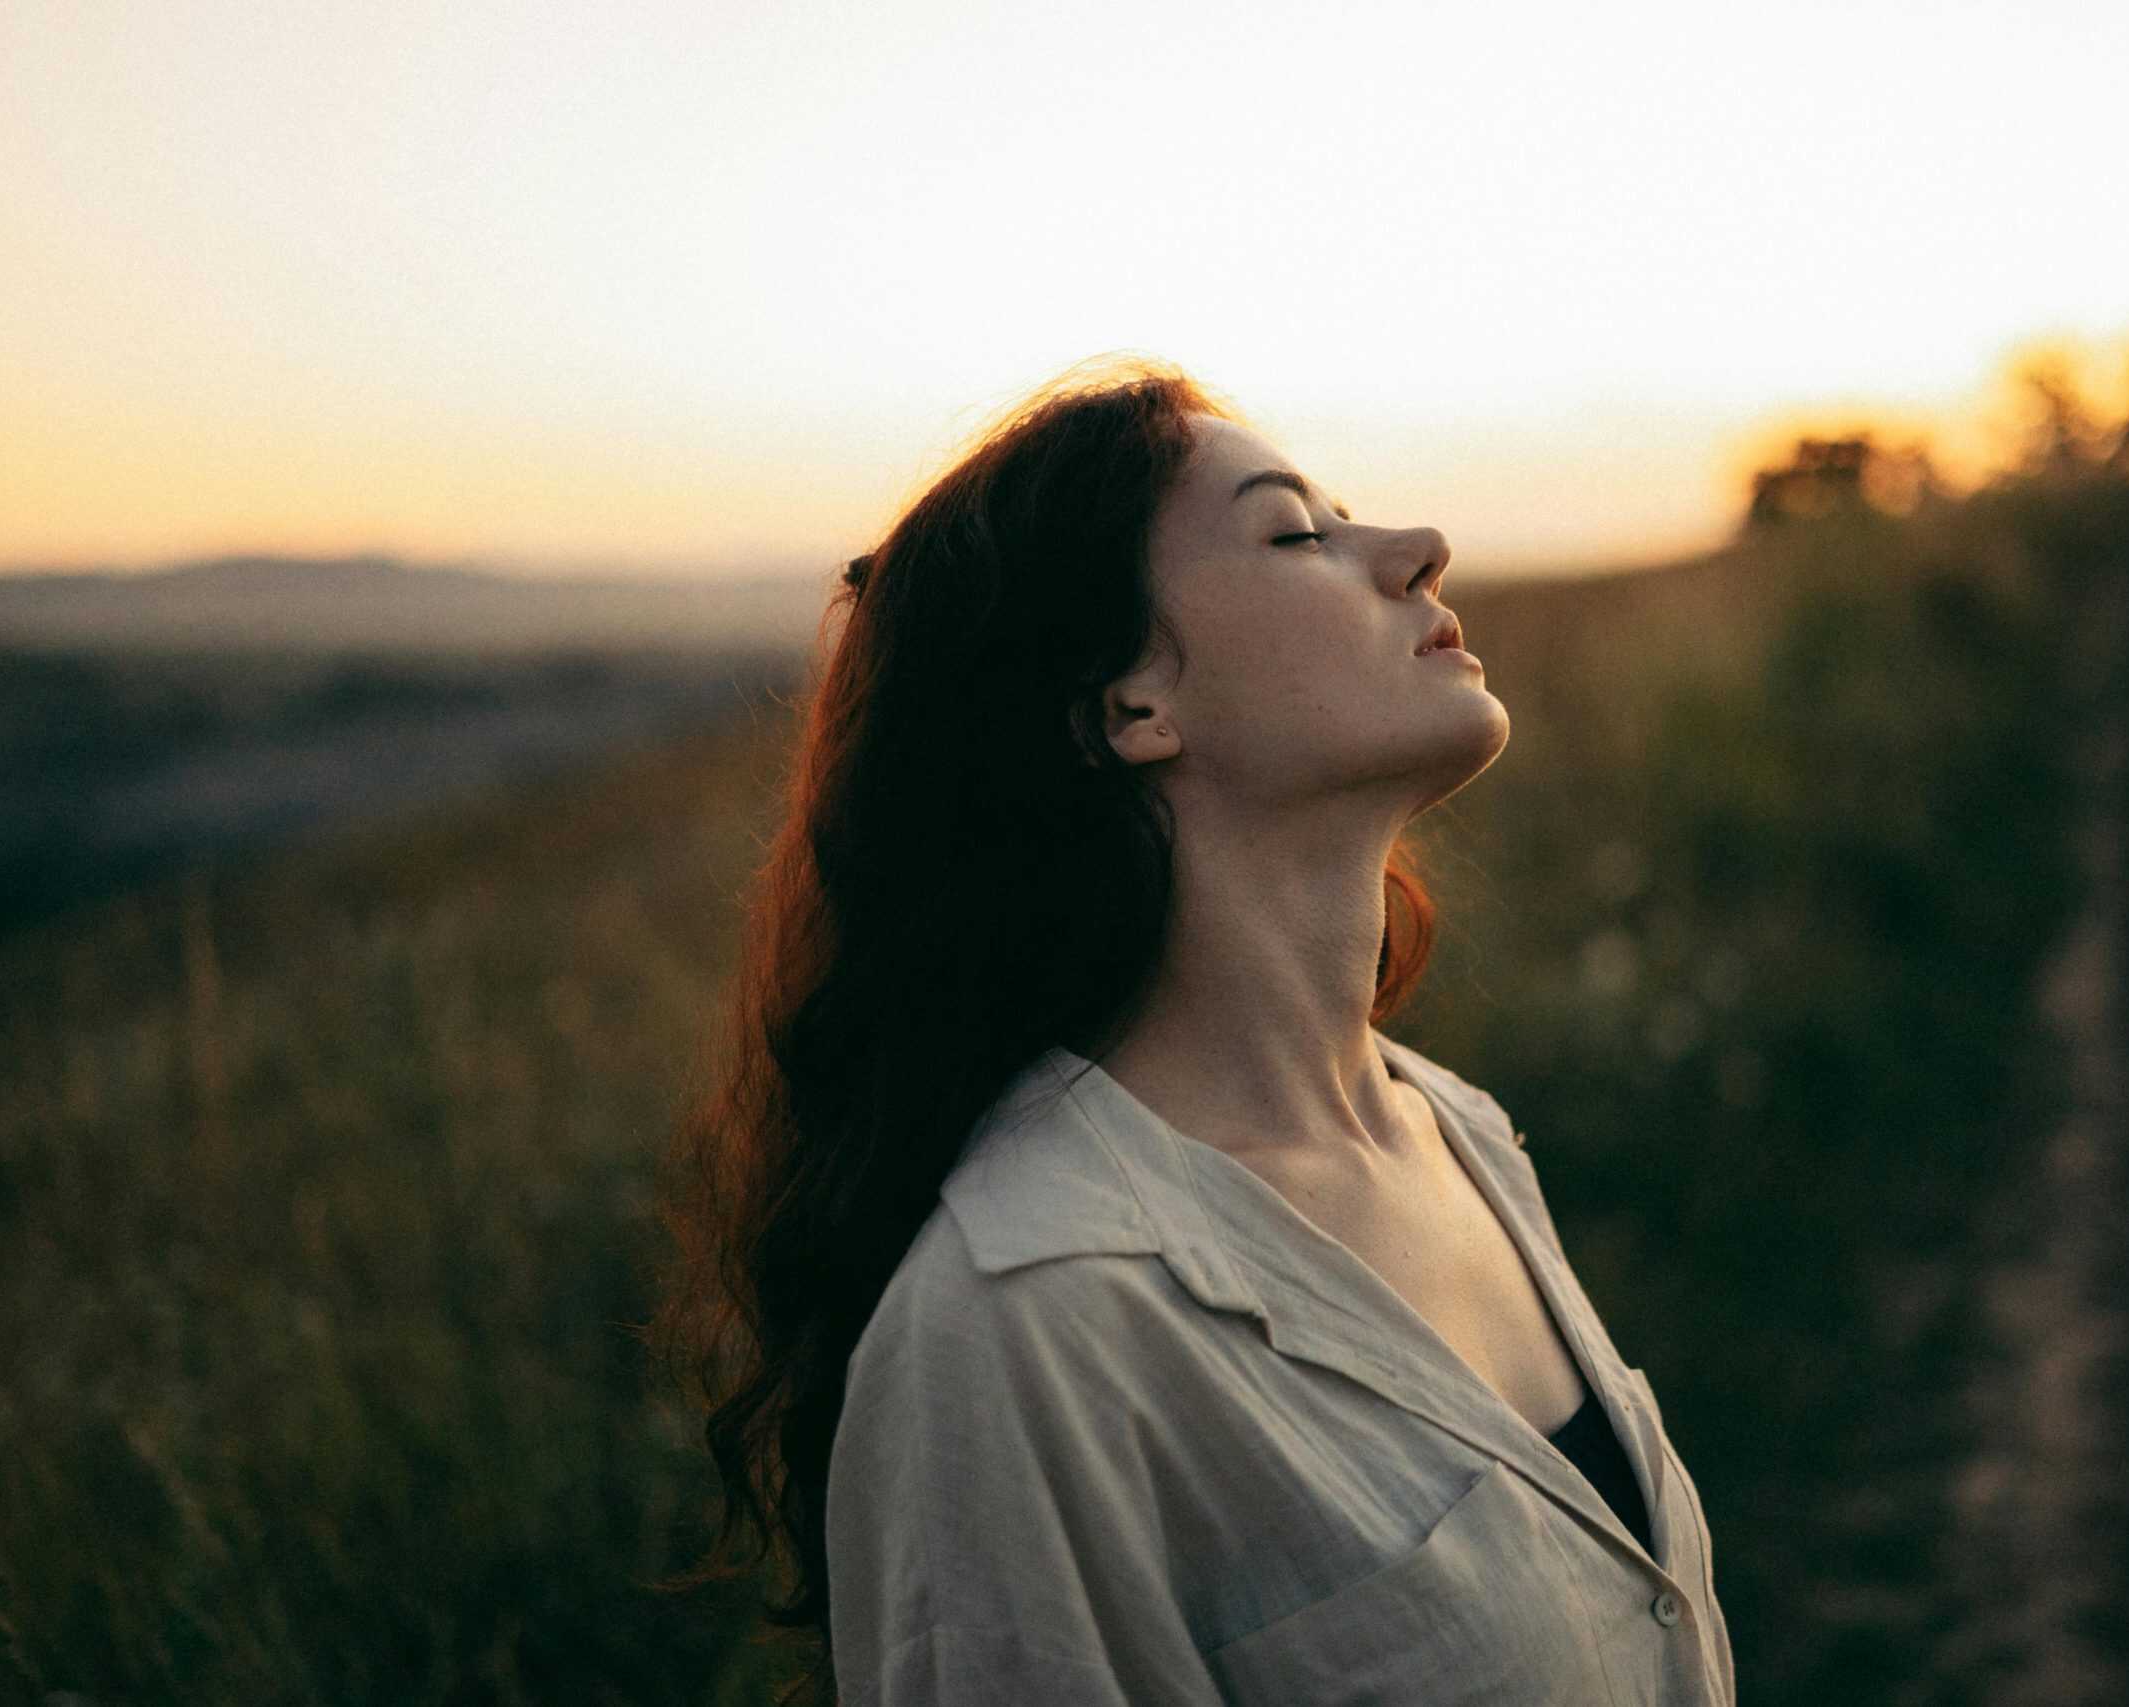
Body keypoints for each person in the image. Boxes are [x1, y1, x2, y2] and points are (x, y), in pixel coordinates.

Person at [651, 354, 1735, 1705]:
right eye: (1296, 533)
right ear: (1129, 706)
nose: (1419, 549)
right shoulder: (1025, 1325)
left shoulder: (1454, 1133)